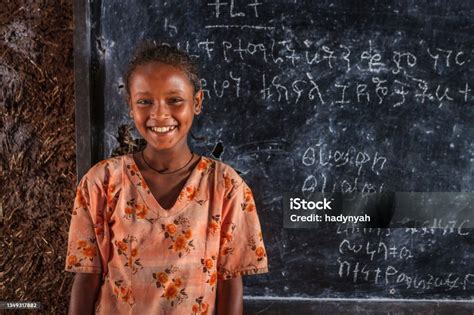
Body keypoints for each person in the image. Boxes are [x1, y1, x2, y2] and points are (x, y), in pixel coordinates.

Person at [65, 42, 268, 314]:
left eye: (174, 100)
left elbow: (231, 283)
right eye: (145, 101)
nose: (159, 114)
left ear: (196, 102)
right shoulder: (103, 182)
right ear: (130, 106)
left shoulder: (226, 187)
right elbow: (87, 277)